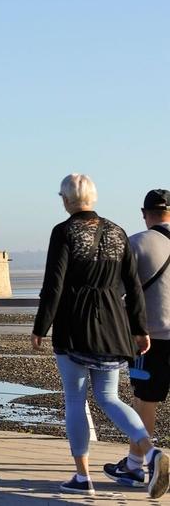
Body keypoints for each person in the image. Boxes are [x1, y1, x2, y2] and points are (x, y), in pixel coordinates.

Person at [34, 174, 167, 495]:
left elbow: (55, 284)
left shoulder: (63, 231)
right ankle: (150, 452)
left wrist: (41, 326)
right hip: (111, 325)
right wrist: (138, 328)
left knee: (76, 400)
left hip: (74, 324)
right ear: (93, 198)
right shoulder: (118, 232)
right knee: (110, 397)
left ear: (65, 200)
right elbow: (133, 287)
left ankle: (82, 477)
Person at [112, 189, 170, 487]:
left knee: (145, 401)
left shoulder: (136, 242)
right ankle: (133, 463)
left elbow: (118, 288)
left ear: (145, 213)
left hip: (151, 340)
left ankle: (139, 466)